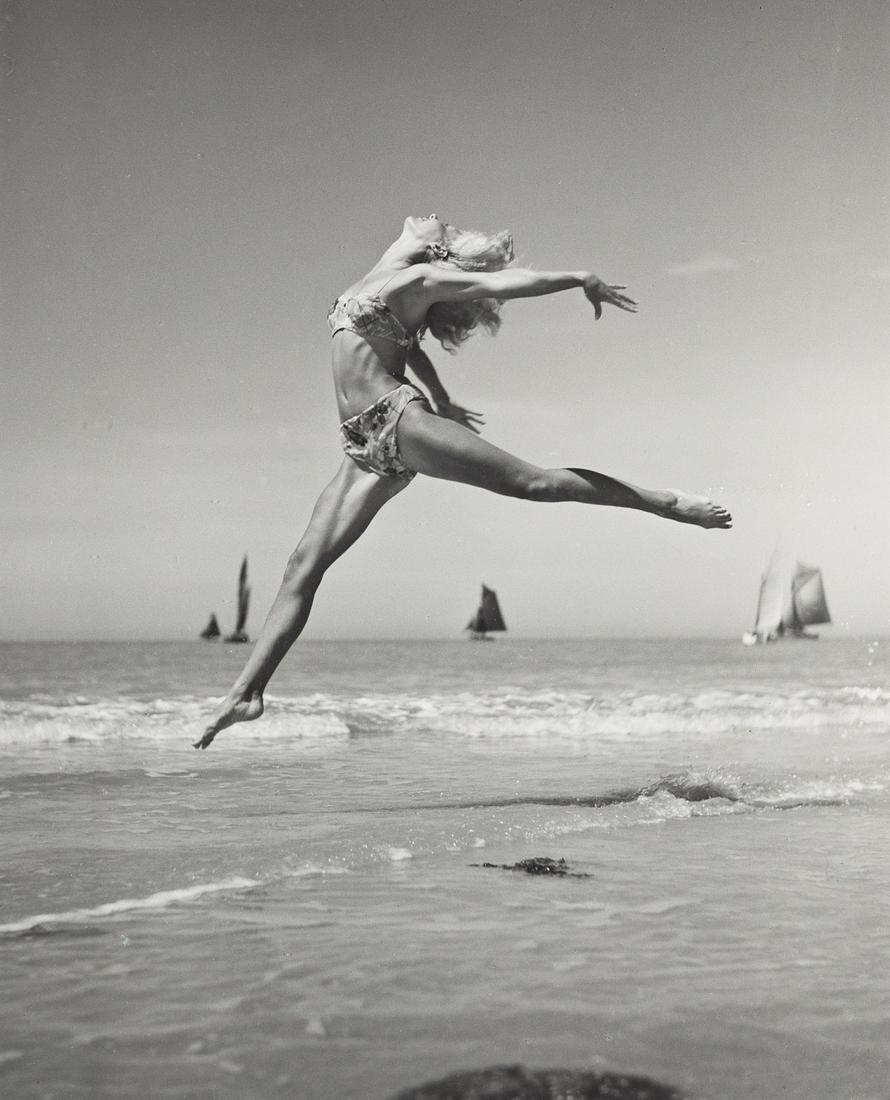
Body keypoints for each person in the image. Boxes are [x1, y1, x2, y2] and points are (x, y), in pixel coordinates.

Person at [194, 214, 731, 749]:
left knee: (534, 483)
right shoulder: (379, 285)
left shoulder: (416, 280)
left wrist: (578, 277)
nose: (435, 219)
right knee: (300, 567)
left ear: (440, 255)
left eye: (443, 230)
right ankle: (248, 693)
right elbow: (412, 348)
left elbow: (502, 284)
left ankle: (664, 503)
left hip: (398, 417)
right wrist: (445, 396)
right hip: (360, 443)